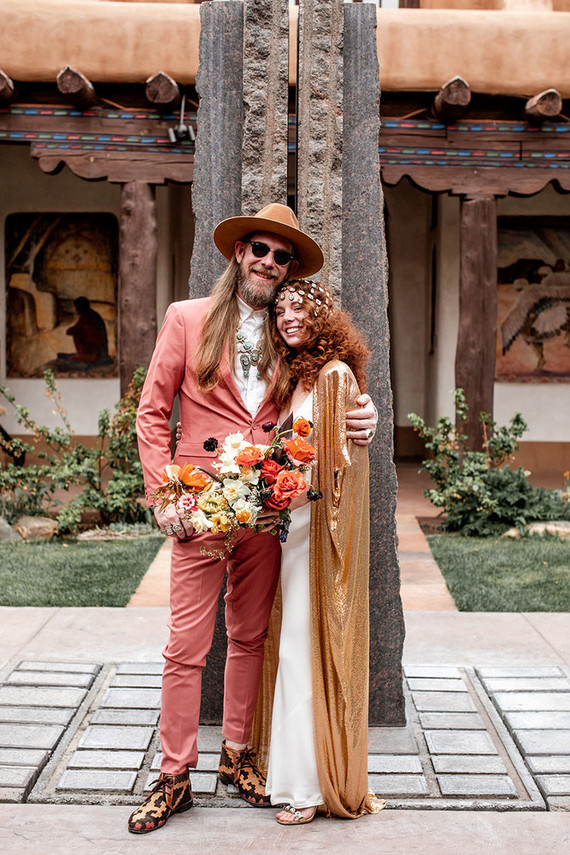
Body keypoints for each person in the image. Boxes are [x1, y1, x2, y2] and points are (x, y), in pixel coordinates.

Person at [130, 204, 378, 834]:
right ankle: (174, 775)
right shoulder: (186, 319)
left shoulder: (291, 332)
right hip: (199, 504)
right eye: (260, 250)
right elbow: (152, 413)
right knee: (185, 648)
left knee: (249, 639)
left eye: (282, 256)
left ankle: (236, 758)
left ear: (289, 269)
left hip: (268, 506)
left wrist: (365, 415)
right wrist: (165, 498)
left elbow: (335, 384)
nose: (270, 262)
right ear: (239, 254)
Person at [248, 279, 384, 825]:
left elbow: (332, 474)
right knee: (290, 651)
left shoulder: (333, 378)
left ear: (324, 316)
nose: (287, 316)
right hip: (292, 535)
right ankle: (292, 776)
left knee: (304, 653)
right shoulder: (297, 378)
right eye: (280, 309)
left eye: (299, 306)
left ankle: (307, 789)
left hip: (314, 537)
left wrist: (274, 489)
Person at [66, 296, 109, 364]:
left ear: (82, 307)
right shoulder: (91, 314)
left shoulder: (87, 316)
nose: (76, 310)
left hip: (97, 353)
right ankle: (85, 356)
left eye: (77, 307)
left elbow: (71, 330)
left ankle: (86, 356)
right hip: (100, 351)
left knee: (77, 333)